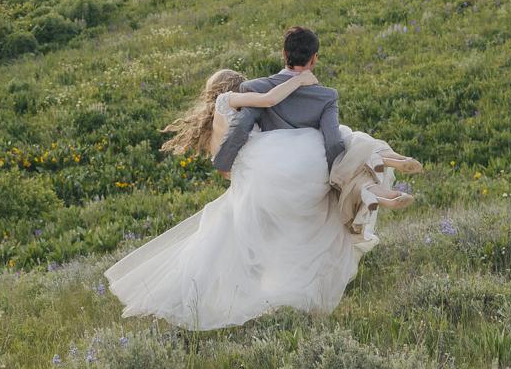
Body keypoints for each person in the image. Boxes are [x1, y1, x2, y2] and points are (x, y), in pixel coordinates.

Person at [104, 27, 419, 330]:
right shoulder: (322, 95)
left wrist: (225, 164)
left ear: (284, 54)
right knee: (347, 151)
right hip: (301, 170)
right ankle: (371, 178)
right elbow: (332, 142)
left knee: (250, 237)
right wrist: (335, 174)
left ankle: (268, 295)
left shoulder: (252, 88)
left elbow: (241, 128)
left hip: (263, 176)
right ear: (315, 58)